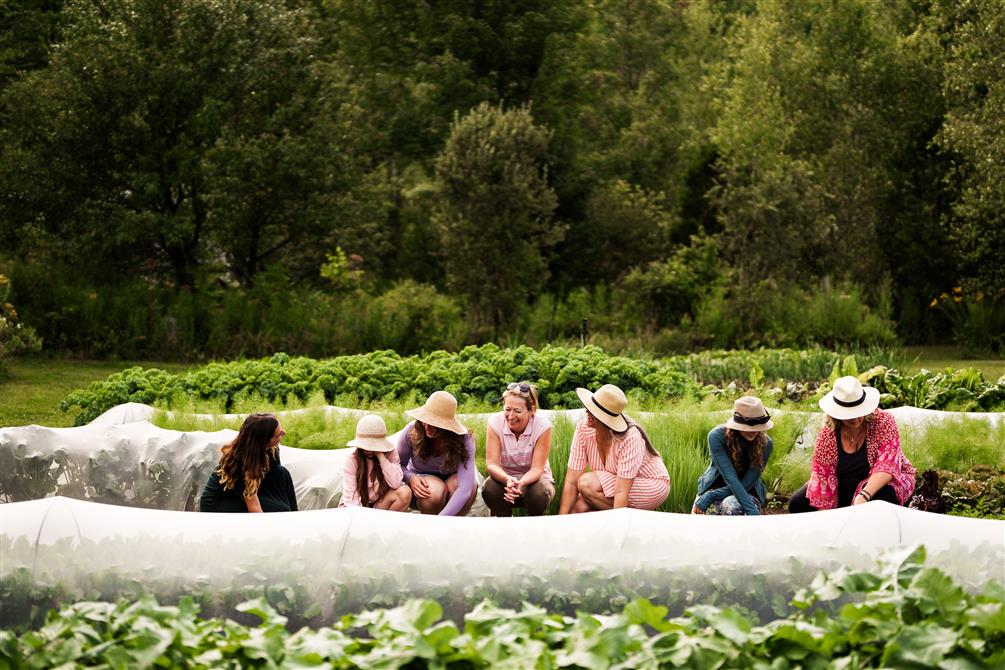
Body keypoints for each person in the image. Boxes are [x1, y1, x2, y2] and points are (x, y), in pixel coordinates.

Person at [788, 376, 916, 512]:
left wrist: (864, 496)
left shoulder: (883, 421)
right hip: (843, 487)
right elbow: (823, 480)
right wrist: (828, 522)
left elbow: (887, 466)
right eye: (849, 414)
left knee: (881, 499)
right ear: (836, 414)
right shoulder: (827, 435)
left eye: (859, 411)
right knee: (797, 503)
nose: (856, 418)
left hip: (880, 483)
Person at [558, 384, 670, 513]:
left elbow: (621, 491)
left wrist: (617, 527)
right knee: (579, 508)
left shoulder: (629, 437)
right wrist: (561, 519)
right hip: (616, 481)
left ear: (607, 418)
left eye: (593, 410)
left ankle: (624, 525)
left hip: (650, 485)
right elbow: (572, 481)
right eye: (589, 407)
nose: (587, 411)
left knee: (586, 484)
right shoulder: (583, 429)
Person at [397, 391, 477, 516]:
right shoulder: (412, 431)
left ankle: (452, 526)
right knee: (433, 490)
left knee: (471, 486)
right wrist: (410, 477)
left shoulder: (464, 439)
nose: (428, 427)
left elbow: (465, 489)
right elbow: (396, 465)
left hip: (452, 483)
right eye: (425, 420)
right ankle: (430, 526)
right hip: (423, 484)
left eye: (435, 424)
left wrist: (440, 521)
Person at [199, 413, 298, 513]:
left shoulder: (271, 449)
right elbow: (254, 508)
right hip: (219, 503)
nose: (284, 433)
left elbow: (276, 480)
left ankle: (294, 516)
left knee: (282, 473)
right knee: (280, 509)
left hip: (244, 492)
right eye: (278, 434)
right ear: (263, 440)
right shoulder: (241, 462)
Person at [482, 381, 555, 516]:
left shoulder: (543, 426)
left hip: (535, 482)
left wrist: (521, 483)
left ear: (532, 410)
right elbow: (492, 464)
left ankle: (535, 524)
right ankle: (504, 522)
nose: (511, 416)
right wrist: (507, 480)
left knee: (538, 492)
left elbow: (537, 469)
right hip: (505, 483)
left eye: (517, 411)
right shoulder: (495, 423)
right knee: (489, 487)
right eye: (507, 409)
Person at [692, 396, 774, 516]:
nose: (756, 431)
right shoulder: (716, 436)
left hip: (748, 491)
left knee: (733, 506)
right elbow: (730, 477)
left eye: (759, 428)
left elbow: (748, 482)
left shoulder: (766, 444)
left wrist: (753, 512)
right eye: (750, 427)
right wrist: (710, 494)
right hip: (715, 485)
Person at [340, 414, 411, 511]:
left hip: (379, 503)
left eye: (373, 445)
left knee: (405, 492)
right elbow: (352, 500)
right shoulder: (352, 460)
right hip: (355, 506)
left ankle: (385, 525)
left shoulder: (390, 454)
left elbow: (396, 483)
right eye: (366, 446)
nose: (369, 450)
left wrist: (380, 456)